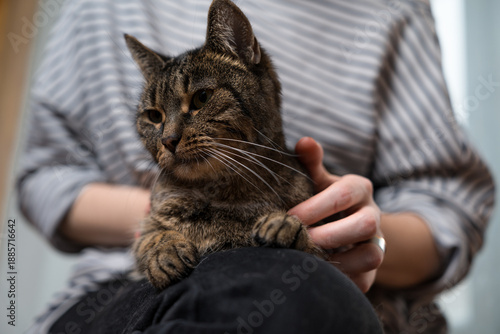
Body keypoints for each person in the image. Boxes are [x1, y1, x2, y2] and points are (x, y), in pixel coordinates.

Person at [17, 0, 495, 333]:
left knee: (298, 291)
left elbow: (453, 207)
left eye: (200, 100)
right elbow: (42, 175)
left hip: (347, 289)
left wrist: (359, 234)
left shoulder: (393, 9)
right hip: (124, 291)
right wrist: (166, 223)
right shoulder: (95, 7)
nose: (171, 136)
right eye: (154, 118)